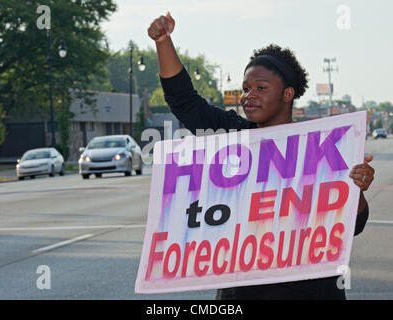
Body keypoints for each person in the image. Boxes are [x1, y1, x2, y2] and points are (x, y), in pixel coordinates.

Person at [147, 12, 375, 300]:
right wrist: (163, 41)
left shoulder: (321, 146)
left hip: (311, 290)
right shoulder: (233, 135)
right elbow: (184, 101)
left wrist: (358, 186)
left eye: (261, 88)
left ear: (287, 94)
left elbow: (352, 226)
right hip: (243, 292)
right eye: (245, 88)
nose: (248, 96)